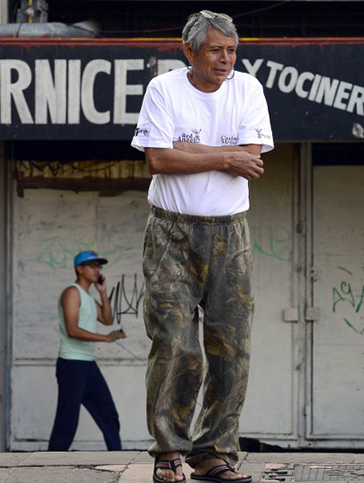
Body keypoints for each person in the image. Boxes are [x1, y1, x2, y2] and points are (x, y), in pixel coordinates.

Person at [131, 10, 274, 483]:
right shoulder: (164, 90)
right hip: (171, 231)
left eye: (232, 50)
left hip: (231, 233)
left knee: (231, 347)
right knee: (174, 342)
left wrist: (189, 152)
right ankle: (168, 450)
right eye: (216, 50)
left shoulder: (247, 89)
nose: (226, 59)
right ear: (188, 51)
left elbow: (251, 162)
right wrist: (222, 155)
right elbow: (157, 158)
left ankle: (215, 452)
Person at [48, 250, 126, 452]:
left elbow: (108, 319)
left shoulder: (89, 297)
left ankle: (117, 461)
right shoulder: (72, 292)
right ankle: (49, 466)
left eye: (98, 266)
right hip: (72, 363)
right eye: (92, 266)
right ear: (79, 269)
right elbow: (72, 330)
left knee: (109, 416)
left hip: (87, 363)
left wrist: (102, 292)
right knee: (67, 422)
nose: (96, 270)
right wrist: (106, 338)